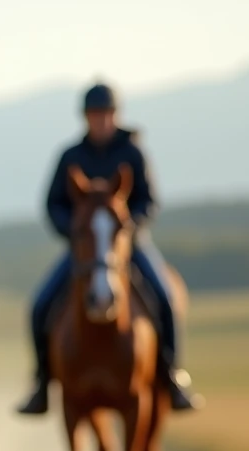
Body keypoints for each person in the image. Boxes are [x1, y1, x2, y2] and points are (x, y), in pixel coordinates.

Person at [16, 82, 203, 415]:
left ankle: (173, 375)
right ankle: (42, 382)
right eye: (94, 115)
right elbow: (53, 204)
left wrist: (128, 227)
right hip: (85, 249)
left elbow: (150, 200)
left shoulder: (133, 153)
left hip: (129, 244)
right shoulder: (70, 156)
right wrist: (73, 232)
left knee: (164, 298)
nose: (99, 120)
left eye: (105, 114)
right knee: (41, 304)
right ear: (85, 118)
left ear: (115, 115)